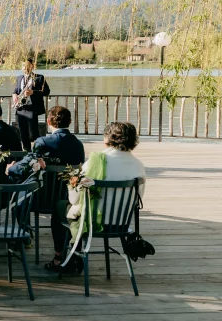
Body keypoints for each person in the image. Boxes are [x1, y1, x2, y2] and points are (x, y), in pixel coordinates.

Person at [48, 121, 145, 272]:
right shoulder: (138, 165)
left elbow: (74, 199)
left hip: (93, 222)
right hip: (120, 224)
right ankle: (72, 257)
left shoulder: (96, 160)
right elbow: (138, 198)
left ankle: (61, 258)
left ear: (107, 138)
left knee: (61, 207)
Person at [13, 59, 51, 150]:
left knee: (34, 132)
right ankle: (26, 151)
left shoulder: (39, 77)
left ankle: (38, 151)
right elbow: (16, 90)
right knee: (22, 133)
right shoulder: (19, 78)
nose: (25, 68)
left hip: (32, 108)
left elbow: (46, 92)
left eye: (27, 65)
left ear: (32, 66)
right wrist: (14, 94)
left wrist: (33, 92)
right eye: (23, 66)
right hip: (21, 108)